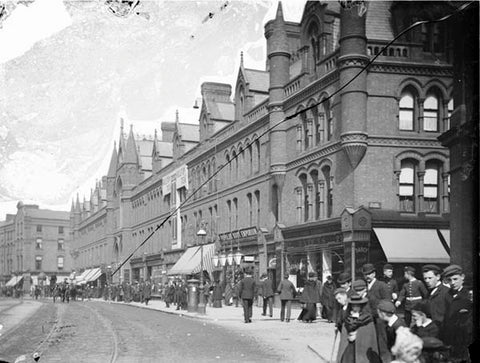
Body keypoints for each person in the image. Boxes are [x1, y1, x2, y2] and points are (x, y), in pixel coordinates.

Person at [336, 294, 381, 363]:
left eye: (357, 305)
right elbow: (344, 330)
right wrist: (349, 335)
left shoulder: (367, 318)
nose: (355, 308)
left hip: (363, 346)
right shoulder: (347, 317)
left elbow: (369, 334)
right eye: (353, 305)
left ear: (361, 305)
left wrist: (357, 335)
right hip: (350, 345)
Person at [441, 264, 472, 362]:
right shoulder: (447, 295)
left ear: (462, 277)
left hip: (465, 341)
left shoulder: (468, 296)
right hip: (450, 340)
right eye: (449, 280)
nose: (452, 283)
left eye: (455, 279)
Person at [362, 263, 391, 363]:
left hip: (380, 318)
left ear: (374, 274)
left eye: (369, 274)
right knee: (372, 342)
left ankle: (385, 360)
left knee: (382, 341)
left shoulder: (381, 285)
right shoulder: (365, 286)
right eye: (365, 274)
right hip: (369, 319)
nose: (367, 276)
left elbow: (387, 301)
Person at [421, 264, 452, 332]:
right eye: (425, 278)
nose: (427, 281)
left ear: (438, 277)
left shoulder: (446, 292)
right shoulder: (428, 292)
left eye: (430, 278)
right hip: (431, 329)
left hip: (442, 330)